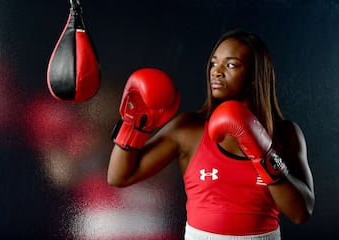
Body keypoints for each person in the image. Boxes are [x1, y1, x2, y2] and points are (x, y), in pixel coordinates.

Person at [107, 29, 315, 240]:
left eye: (231, 65)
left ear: (254, 76)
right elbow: (119, 177)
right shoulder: (188, 130)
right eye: (214, 63)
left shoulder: (284, 133)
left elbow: (301, 213)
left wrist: (263, 153)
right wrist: (132, 126)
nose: (217, 71)